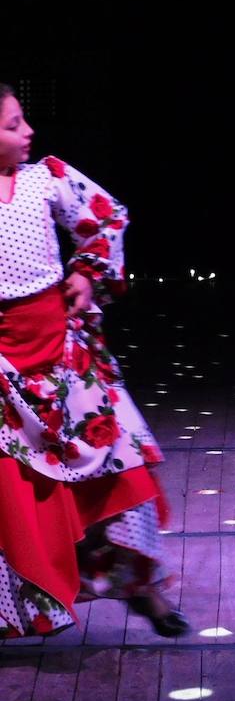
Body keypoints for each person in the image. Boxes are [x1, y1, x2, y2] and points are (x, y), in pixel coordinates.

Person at [0, 82, 186, 637]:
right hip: (4, 370)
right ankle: (29, 603)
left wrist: (85, 271)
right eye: (12, 125)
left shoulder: (46, 178)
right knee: (17, 491)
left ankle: (142, 586)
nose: (28, 132)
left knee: (117, 470)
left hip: (65, 352)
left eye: (24, 121)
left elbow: (106, 217)